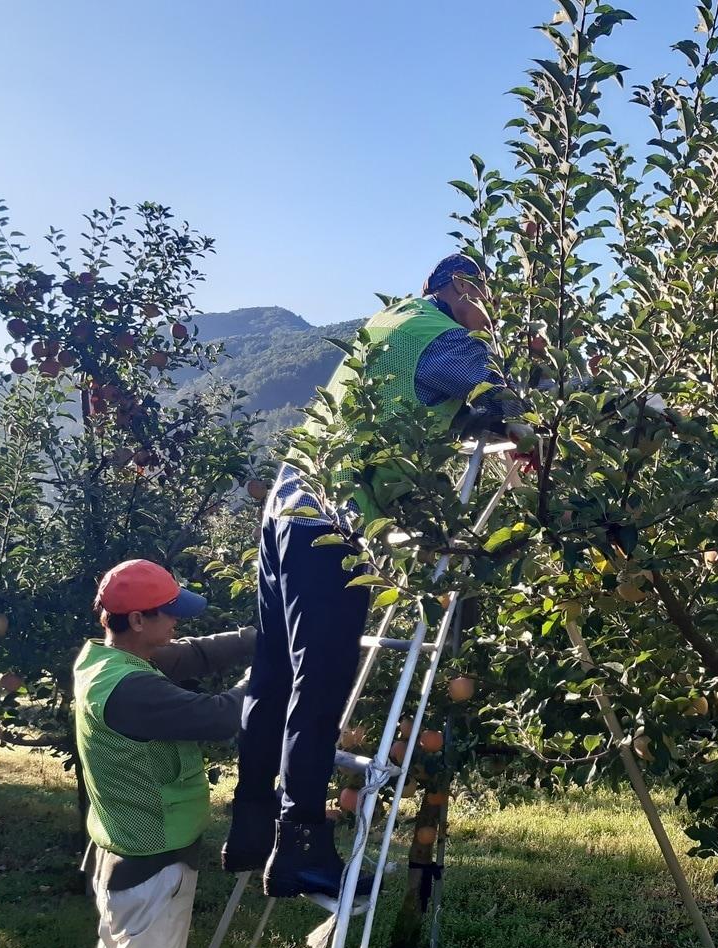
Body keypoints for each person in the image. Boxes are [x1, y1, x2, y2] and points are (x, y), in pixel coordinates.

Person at [222, 253, 529, 899]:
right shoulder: (443, 339)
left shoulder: (393, 323)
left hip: (287, 512)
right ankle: (300, 846)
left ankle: (249, 824)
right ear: (458, 288)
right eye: (488, 300)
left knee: (275, 675)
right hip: (333, 523)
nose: (491, 317)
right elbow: (504, 396)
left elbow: (435, 406)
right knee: (321, 684)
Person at [74, 558, 255, 948]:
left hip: (126, 854)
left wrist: (259, 638)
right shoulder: (131, 690)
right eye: (168, 613)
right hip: (152, 867)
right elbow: (220, 718)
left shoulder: (106, 661)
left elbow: (191, 655)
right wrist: (267, 673)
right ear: (137, 620)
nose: (178, 622)